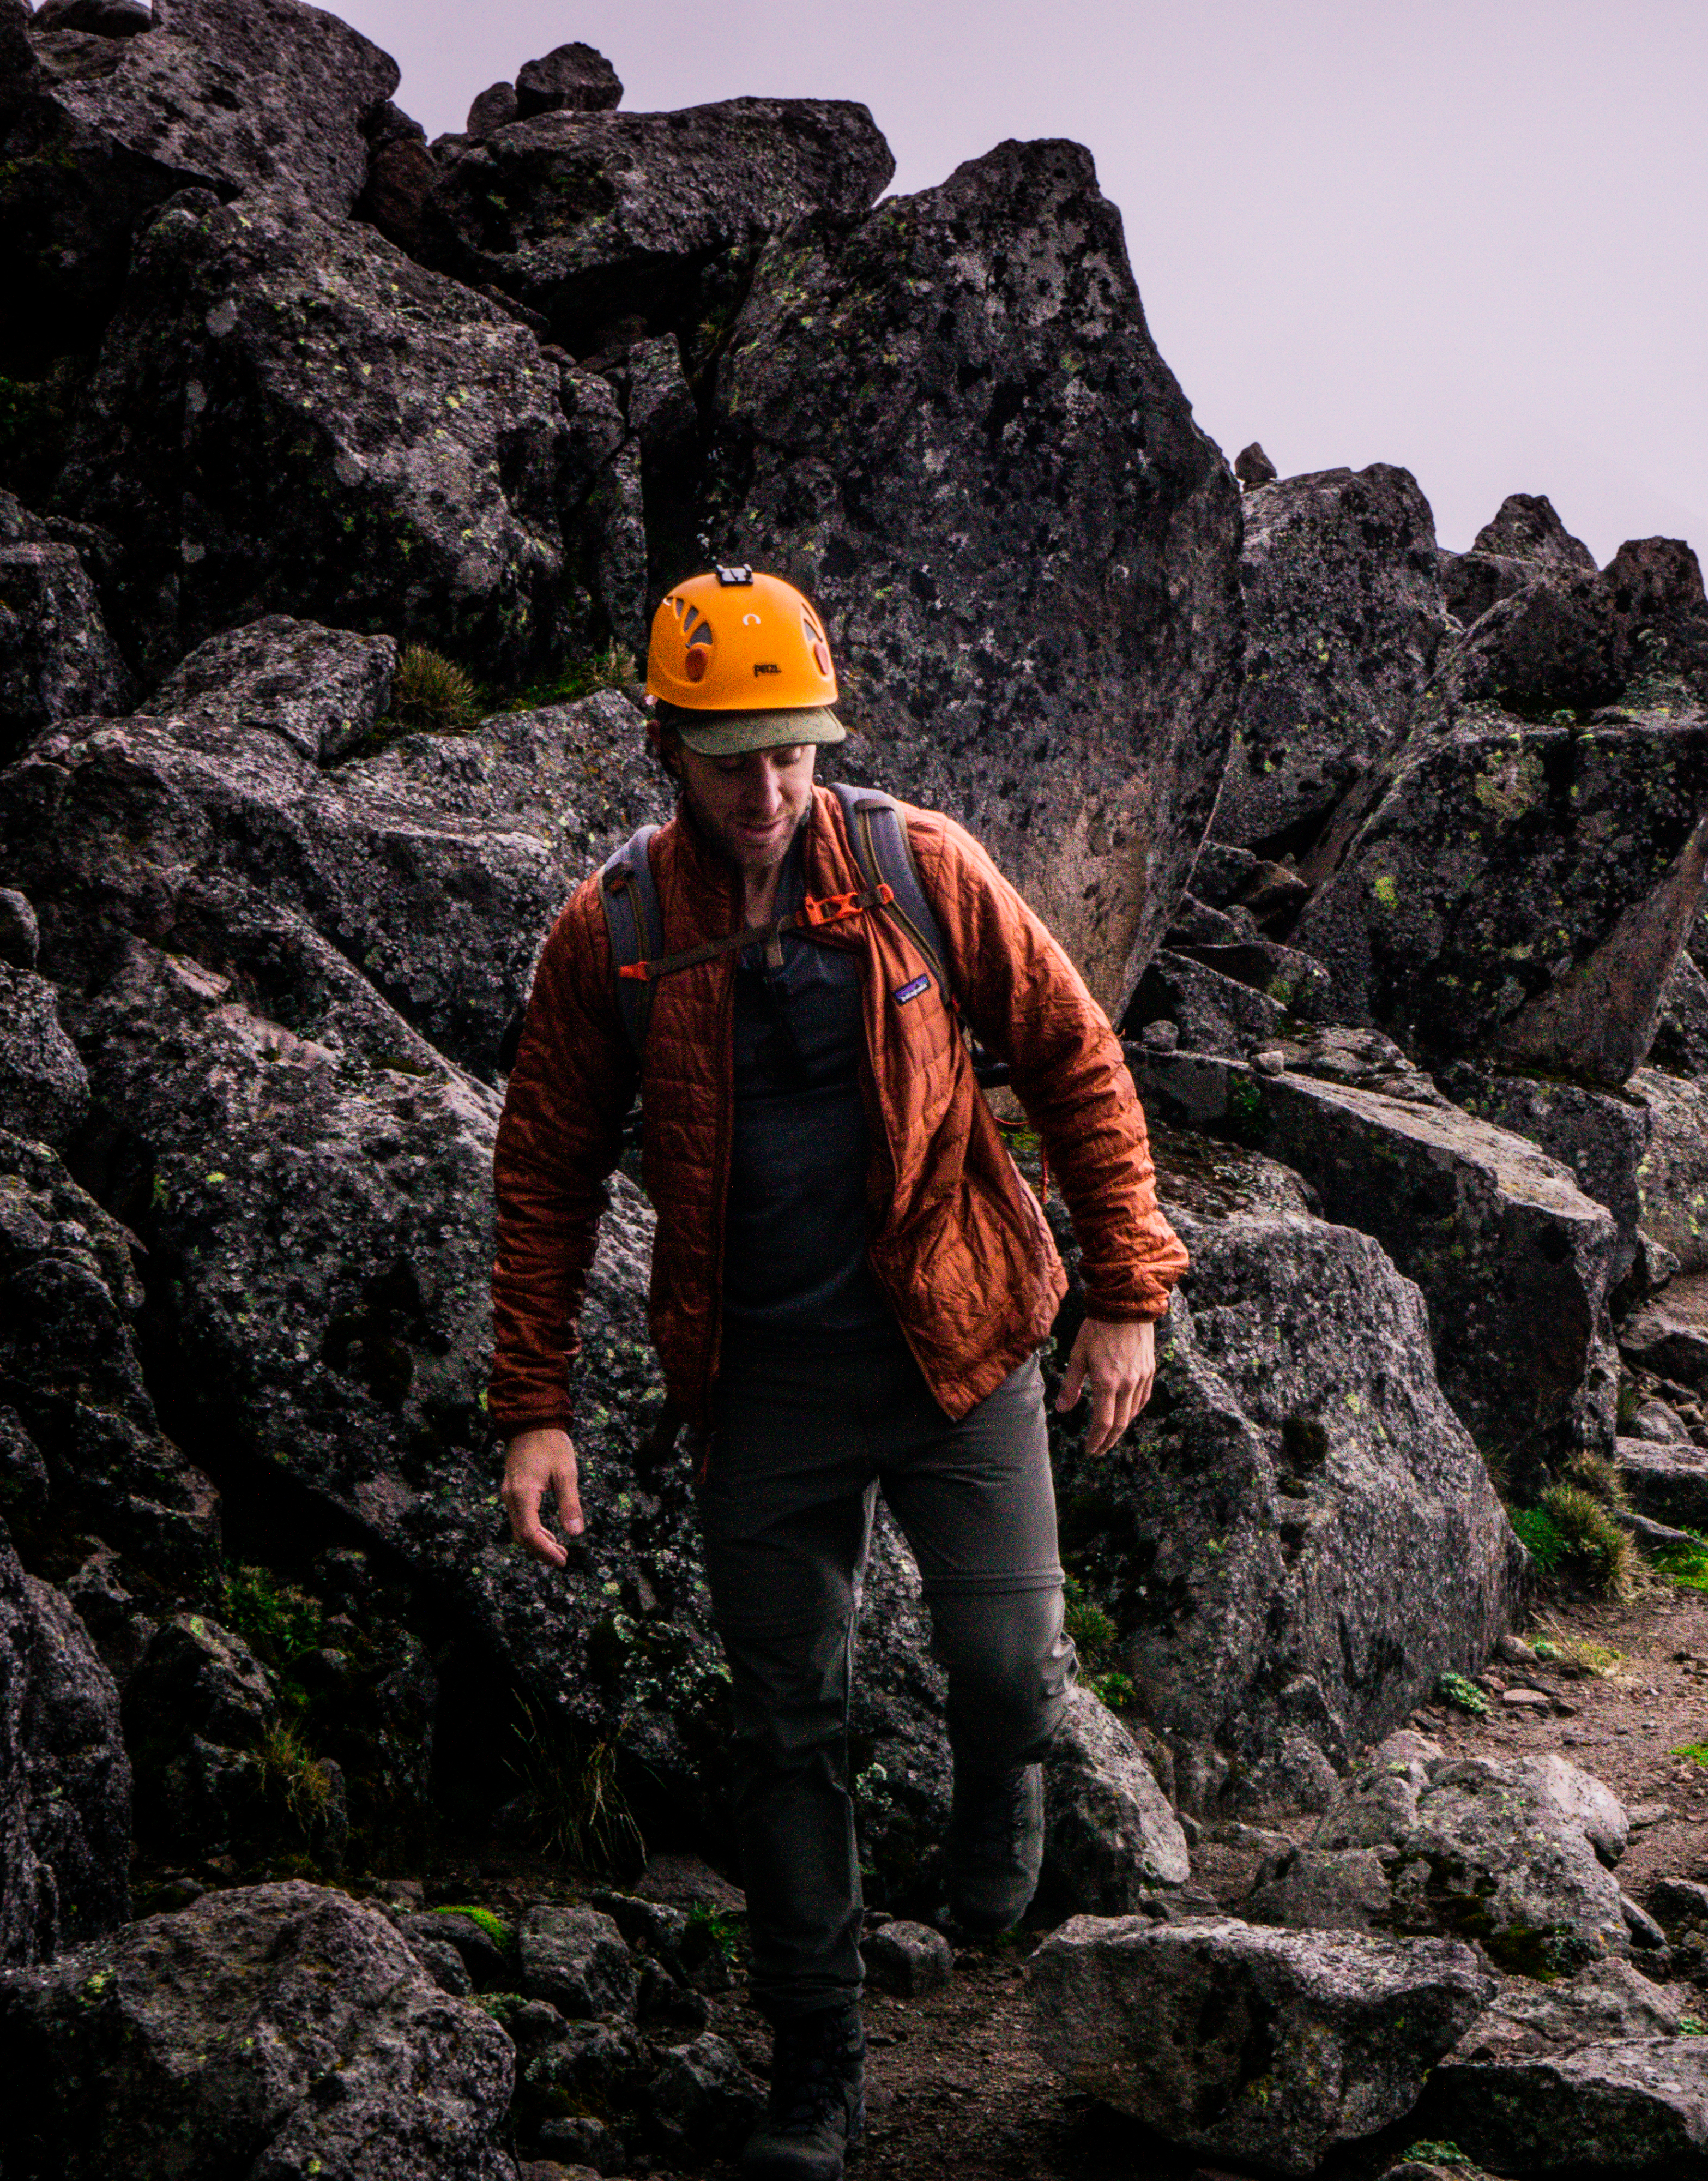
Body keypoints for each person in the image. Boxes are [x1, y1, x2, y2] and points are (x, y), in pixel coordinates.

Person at [486, 565, 1187, 2181]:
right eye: (732, 753)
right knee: (787, 1725)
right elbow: (544, 1172)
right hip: (763, 1387)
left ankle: (1003, 1798)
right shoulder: (614, 934)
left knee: (1006, 1664)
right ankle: (818, 2071)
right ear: (667, 745)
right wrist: (534, 1403)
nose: (768, 784)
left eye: (793, 748)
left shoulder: (915, 865)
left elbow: (1077, 1057)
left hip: (961, 1346)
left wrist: (1125, 1289)